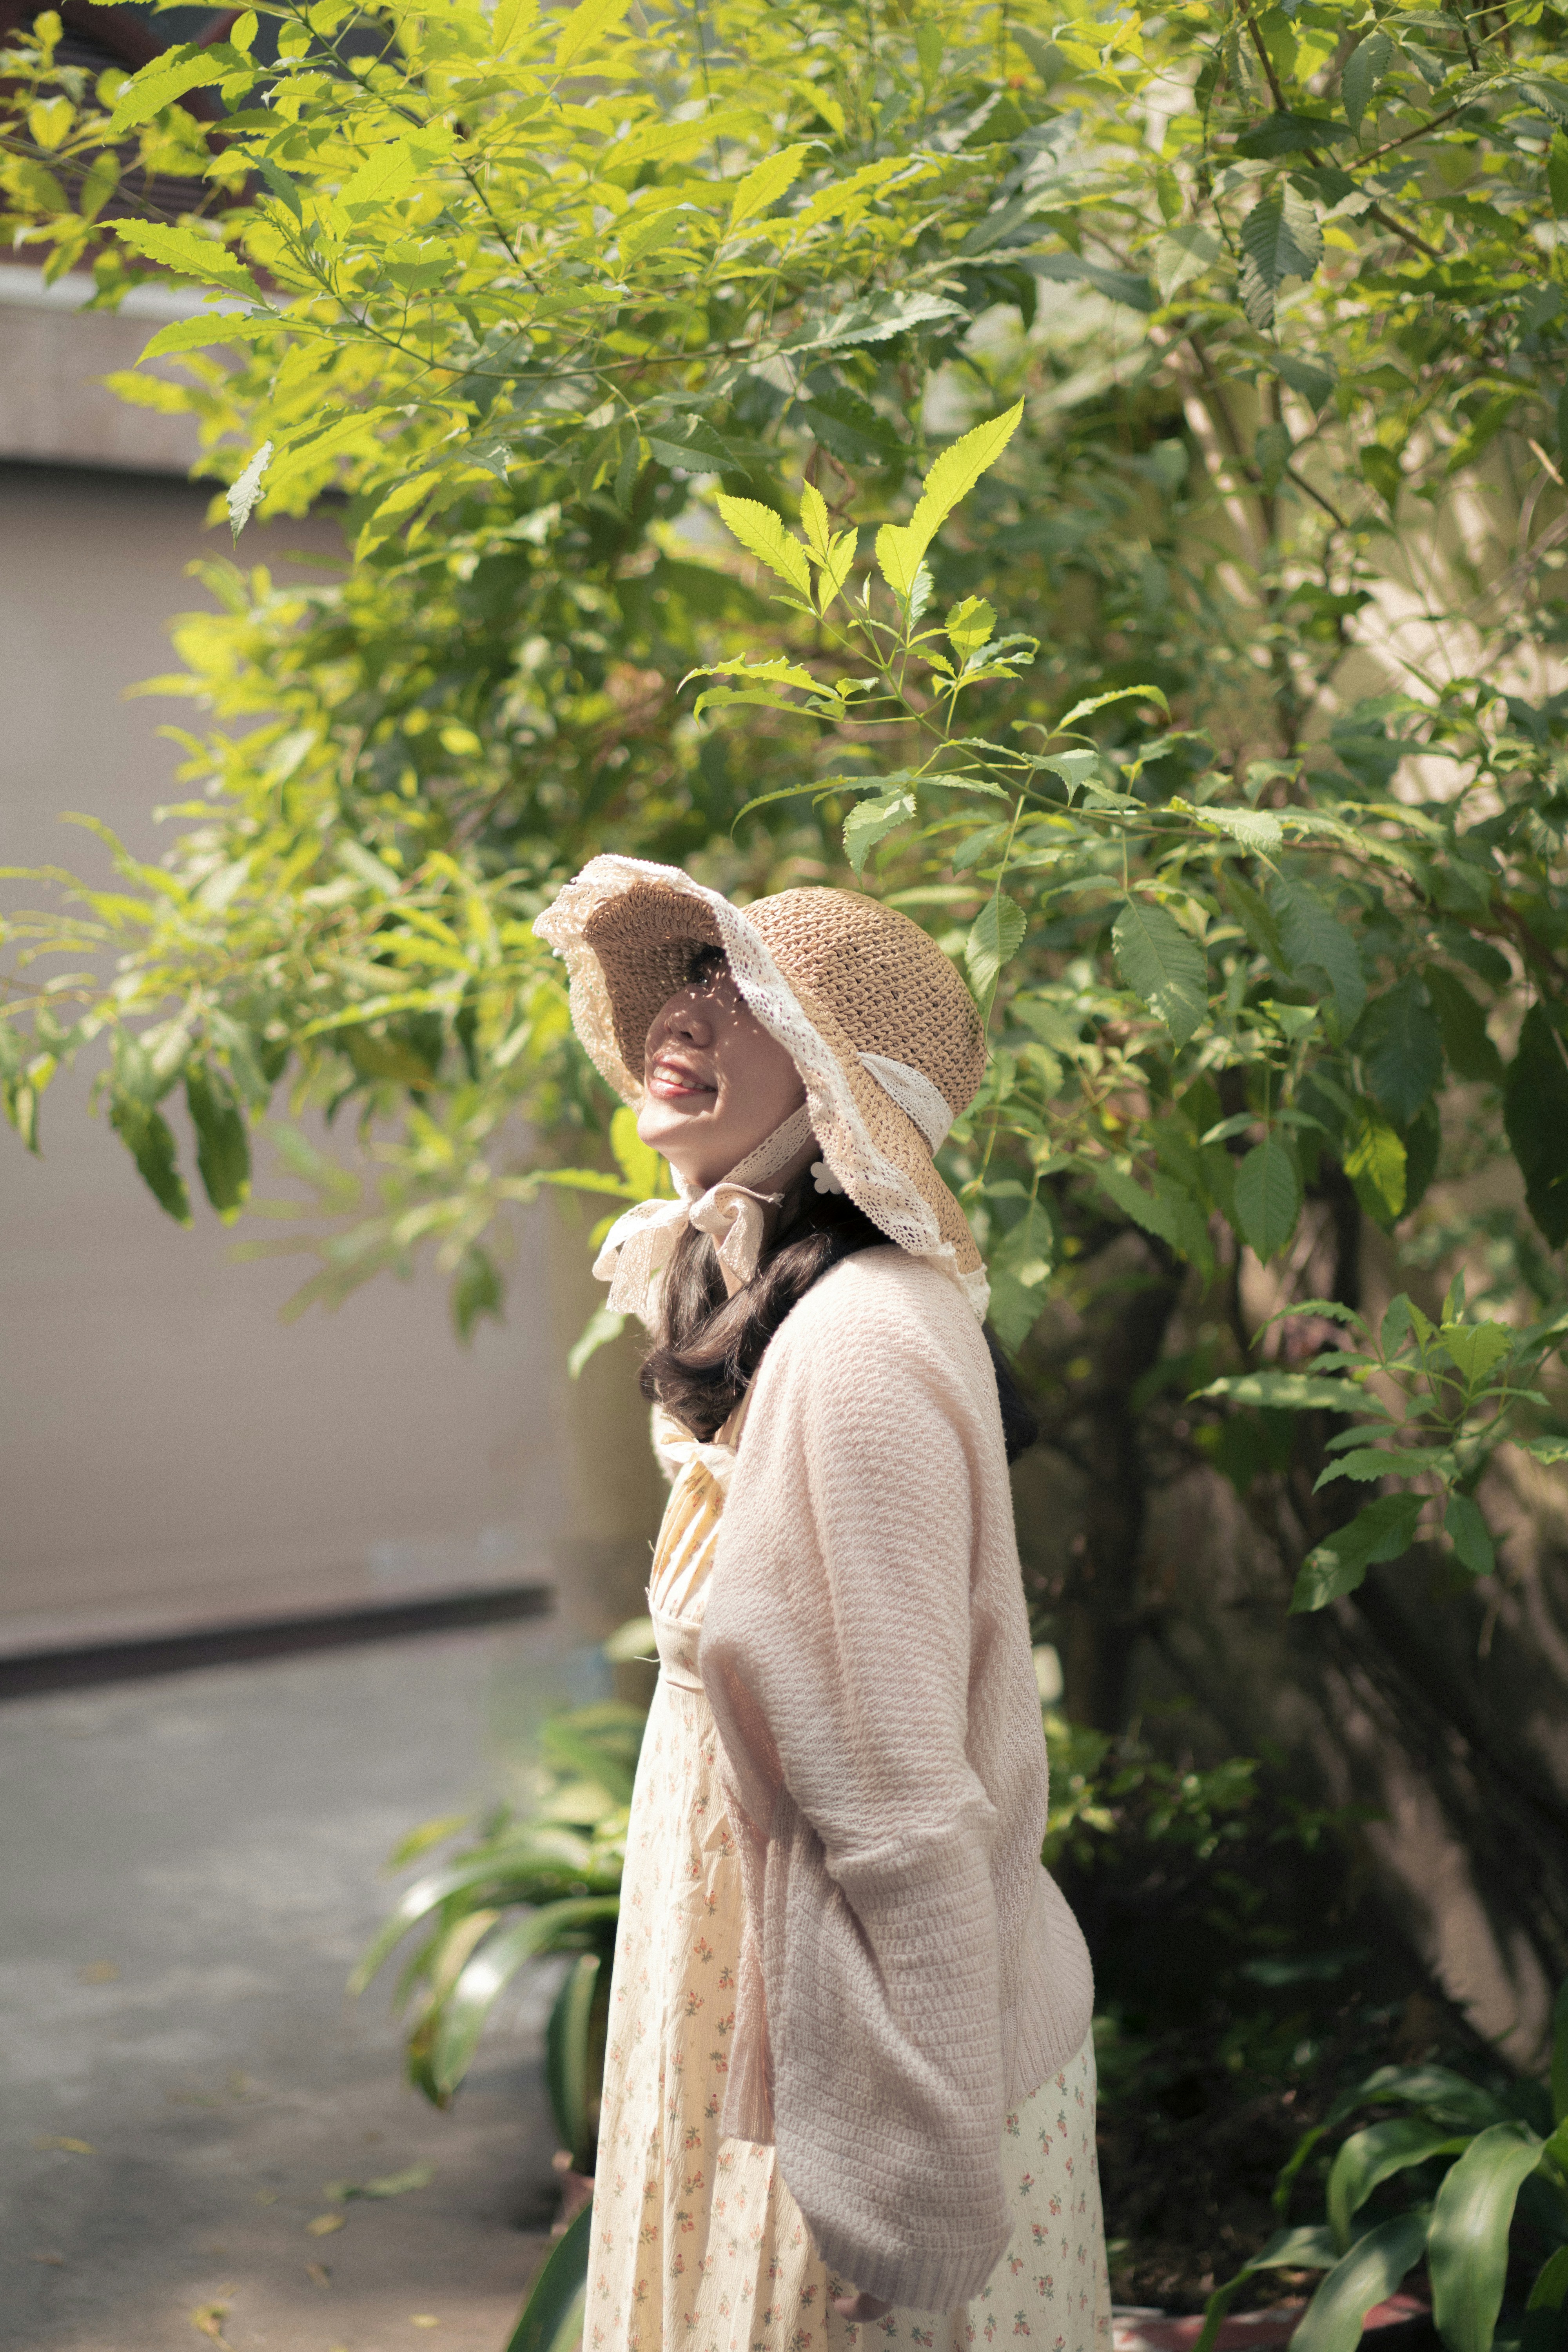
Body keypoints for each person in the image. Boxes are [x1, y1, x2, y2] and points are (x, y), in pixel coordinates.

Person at [535, 855, 1107, 2352]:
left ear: (841, 1091)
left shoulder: (857, 1347)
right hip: (755, 1995)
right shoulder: (774, 1312)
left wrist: (917, 2190)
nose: (687, 1009)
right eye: (694, 972)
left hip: (850, 2074)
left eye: (744, 988)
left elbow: (904, 1811)